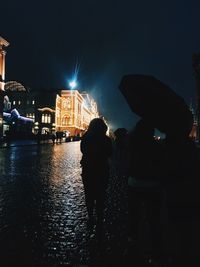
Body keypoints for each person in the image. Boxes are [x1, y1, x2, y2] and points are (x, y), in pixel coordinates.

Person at [127, 119, 163, 263]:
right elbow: (161, 164)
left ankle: (133, 239)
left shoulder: (132, 144)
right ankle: (154, 245)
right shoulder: (156, 146)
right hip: (152, 185)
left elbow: (128, 163)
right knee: (153, 215)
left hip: (134, 183)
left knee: (134, 213)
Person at [80, 118, 112, 228]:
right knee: (101, 195)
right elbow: (110, 153)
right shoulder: (106, 139)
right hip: (102, 169)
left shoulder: (86, 137)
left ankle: (90, 216)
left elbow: (83, 150)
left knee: (89, 194)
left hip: (88, 169)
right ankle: (100, 217)